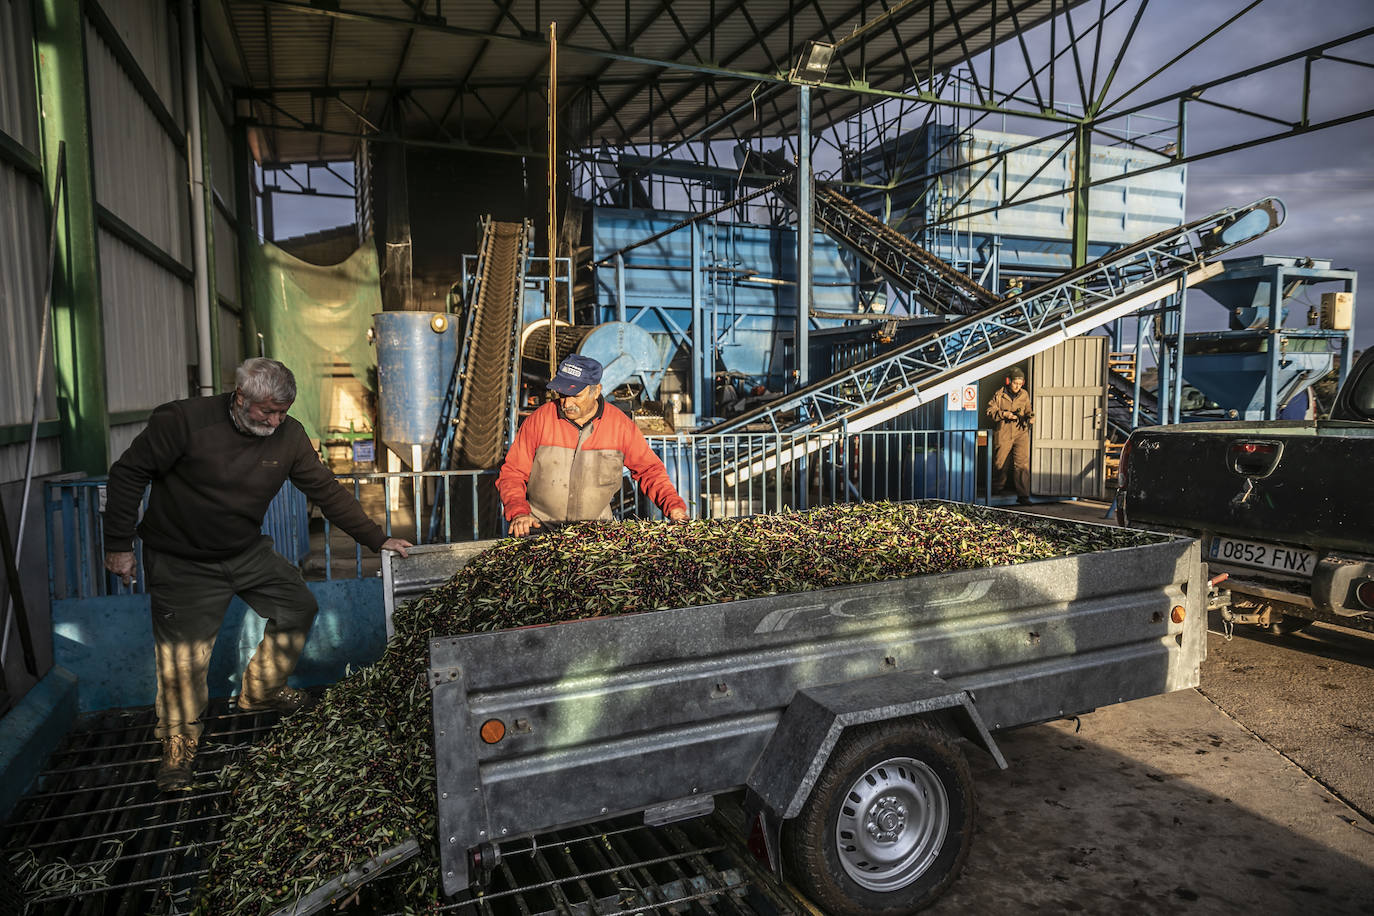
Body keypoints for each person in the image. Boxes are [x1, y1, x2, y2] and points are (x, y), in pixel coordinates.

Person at [103, 358, 413, 791]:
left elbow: (325, 490)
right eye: (267, 411)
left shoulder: (288, 436)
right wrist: (118, 544)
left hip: (245, 550)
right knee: (184, 659)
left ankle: (262, 689)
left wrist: (376, 538)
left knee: (297, 606)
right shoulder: (183, 422)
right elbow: (128, 472)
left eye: (283, 411)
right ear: (240, 397)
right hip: (183, 560)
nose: (276, 420)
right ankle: (178, 743)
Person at [497, 354, 689, 535]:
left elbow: (650, 470)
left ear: (596, 391)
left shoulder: (620, 426)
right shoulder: (540, 420)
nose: (566, 403)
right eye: (562, 394)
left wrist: (673, 505)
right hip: (539, 528)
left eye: (575, 395)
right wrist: (518, 511)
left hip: (595, 533)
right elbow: (513, 473)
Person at [987, 366, 1034, 505]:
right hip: (1004, 431)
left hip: (1021, 432)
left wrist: (1031, 417)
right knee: (1000, 462)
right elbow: (990, 410)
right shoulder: (1000, 394)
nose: (1017, 386)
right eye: (1015, 383)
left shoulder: (1024, 394)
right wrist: (1004, 414)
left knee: (1022, 464)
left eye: (1020, 384)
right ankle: (996, 489)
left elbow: (1028, 410)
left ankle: (1023, 495)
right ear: (1008, 381)